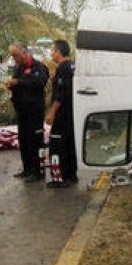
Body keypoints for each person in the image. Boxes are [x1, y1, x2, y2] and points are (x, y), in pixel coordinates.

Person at [5, 42, 49, 182]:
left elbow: (39, 83)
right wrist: (11, 85)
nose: (14, 59)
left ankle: (37, 171)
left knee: (35, 141)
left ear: (24, 53)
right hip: (22, 111)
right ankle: (27, 169)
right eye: (12, 56)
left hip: (34, 111)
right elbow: (18, 83)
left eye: (16, 55)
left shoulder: (38, 66)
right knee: (23, 140)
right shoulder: (19, 68)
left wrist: (18, 82)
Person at [45, 39, 77, 188]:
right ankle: (71, 175)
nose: (51, 53)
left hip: (62, 113)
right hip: (72, 113)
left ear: (58, 52)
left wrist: (51, 112)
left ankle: (60, 178)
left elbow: (60, 94)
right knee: (70, 144)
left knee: (58, 145)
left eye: (52, 50)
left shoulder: (63, 68)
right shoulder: (72, 66)